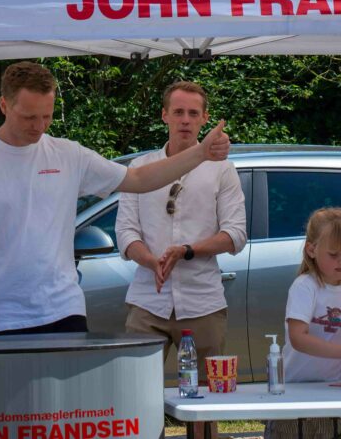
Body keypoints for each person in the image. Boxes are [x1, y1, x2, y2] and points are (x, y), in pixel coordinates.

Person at [0, 61, 231, 339]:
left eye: (47, 116)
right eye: (29, 117)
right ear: (3, 104)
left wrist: (201, 153)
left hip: (65, 312)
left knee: (70, 408)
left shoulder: (68, 154)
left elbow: (137, 180)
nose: (39, 127)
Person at [116, 80, 246, 439]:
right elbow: (126, 234)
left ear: (204, 118)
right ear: (164, 116)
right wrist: (151, 261)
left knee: (205, 404)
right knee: (135, 397)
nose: (185, 120)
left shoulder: (222, 169)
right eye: (178, 112)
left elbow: (236, 235)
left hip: (202, 300)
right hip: (148, 300)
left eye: (193, 113)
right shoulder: (141, 168)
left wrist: (187, 251)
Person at [264, 207, 341, 439]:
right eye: (334, 254)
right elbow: (298, 338)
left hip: (333, 391)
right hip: (294, 393)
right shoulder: (305, 286)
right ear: (311, 249)